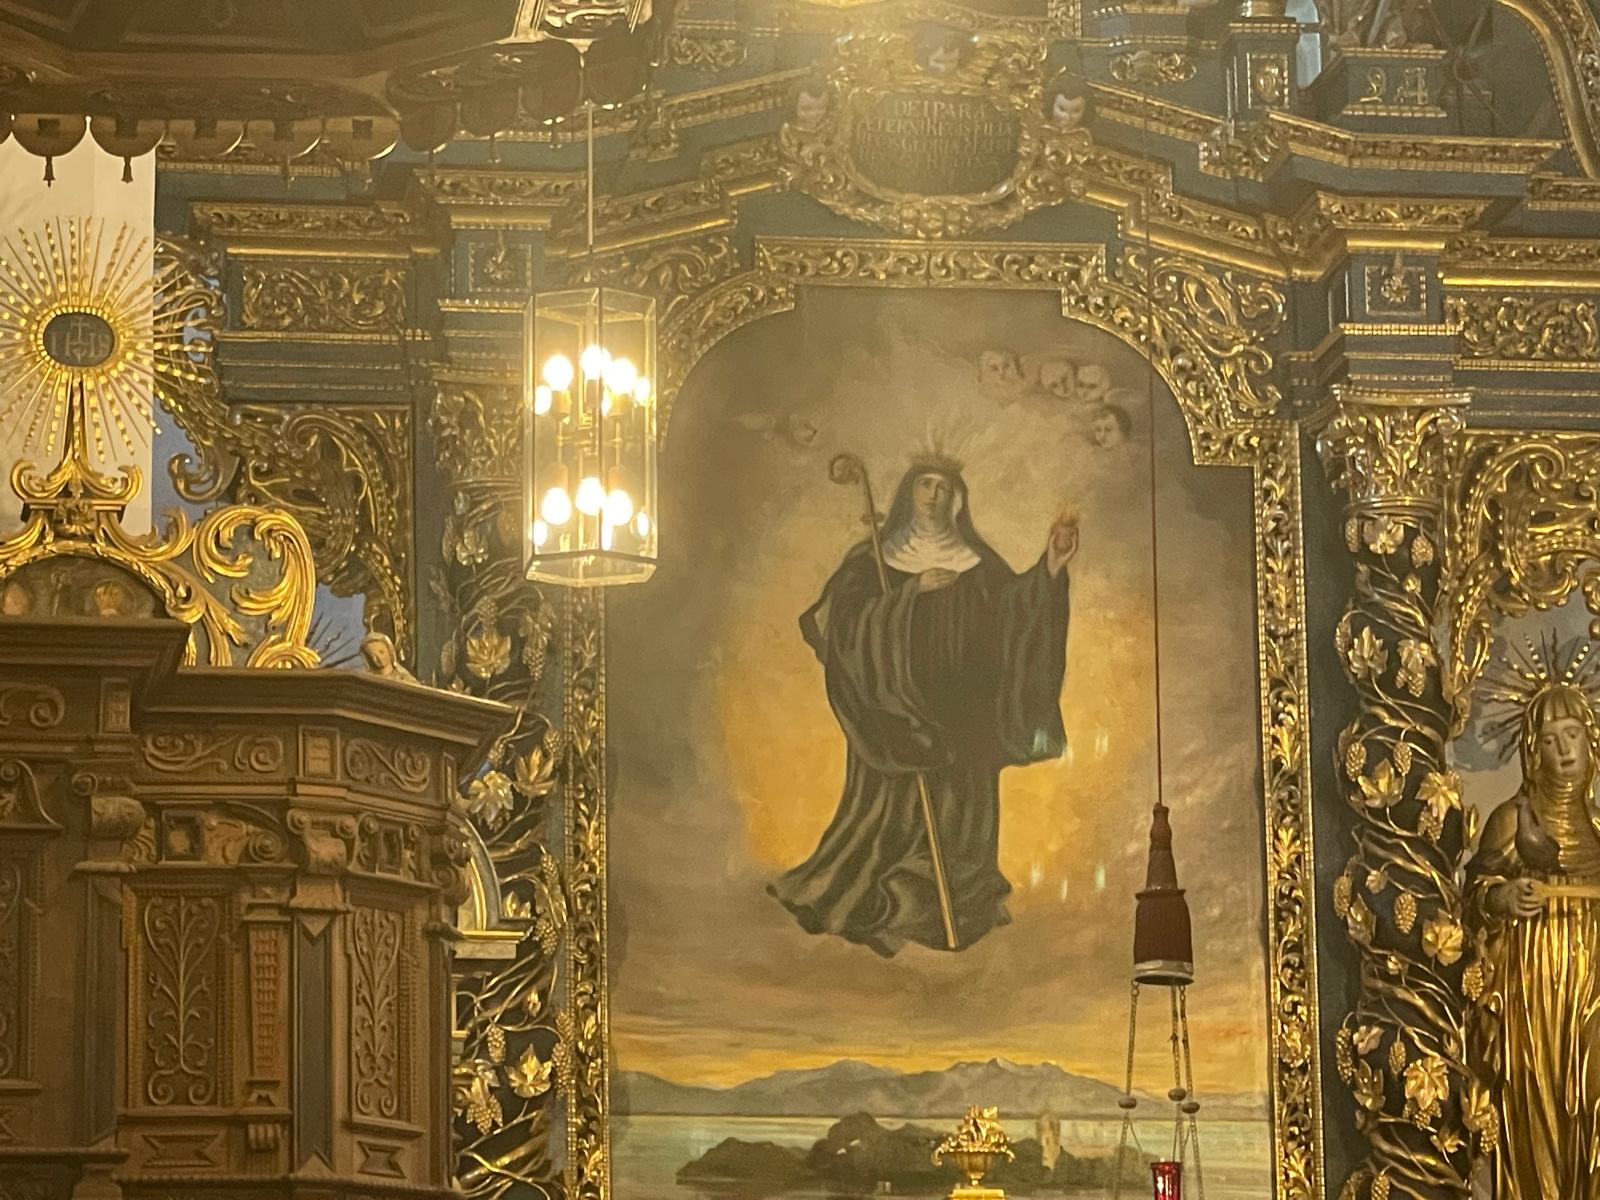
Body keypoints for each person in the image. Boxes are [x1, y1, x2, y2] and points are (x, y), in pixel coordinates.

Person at [768, 457, 1077, 956]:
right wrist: (908, 594)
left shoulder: (976, 562)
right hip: (898, 716)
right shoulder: (874, 560)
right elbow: (845, 628)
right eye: (925, 485)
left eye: (944, 488)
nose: (934, 495)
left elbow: (1013, 614)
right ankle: (892, 897)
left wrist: (1051, 568)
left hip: (964, 718)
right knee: (893, 817)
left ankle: (950, 903)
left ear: (957, 500)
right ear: (908, 494)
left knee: (959, 816)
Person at [1466, 674, 1600, 1198]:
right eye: (1549, 740)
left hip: (1592, 980)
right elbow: (1474, 894)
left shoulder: (1597, 828)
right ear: (1532, 751)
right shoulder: (1510, 820)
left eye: (1572, 735)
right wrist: (1503, 897)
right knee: (1536, 1107)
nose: (1564, 750)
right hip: (1533, 984)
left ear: (1590, 742)